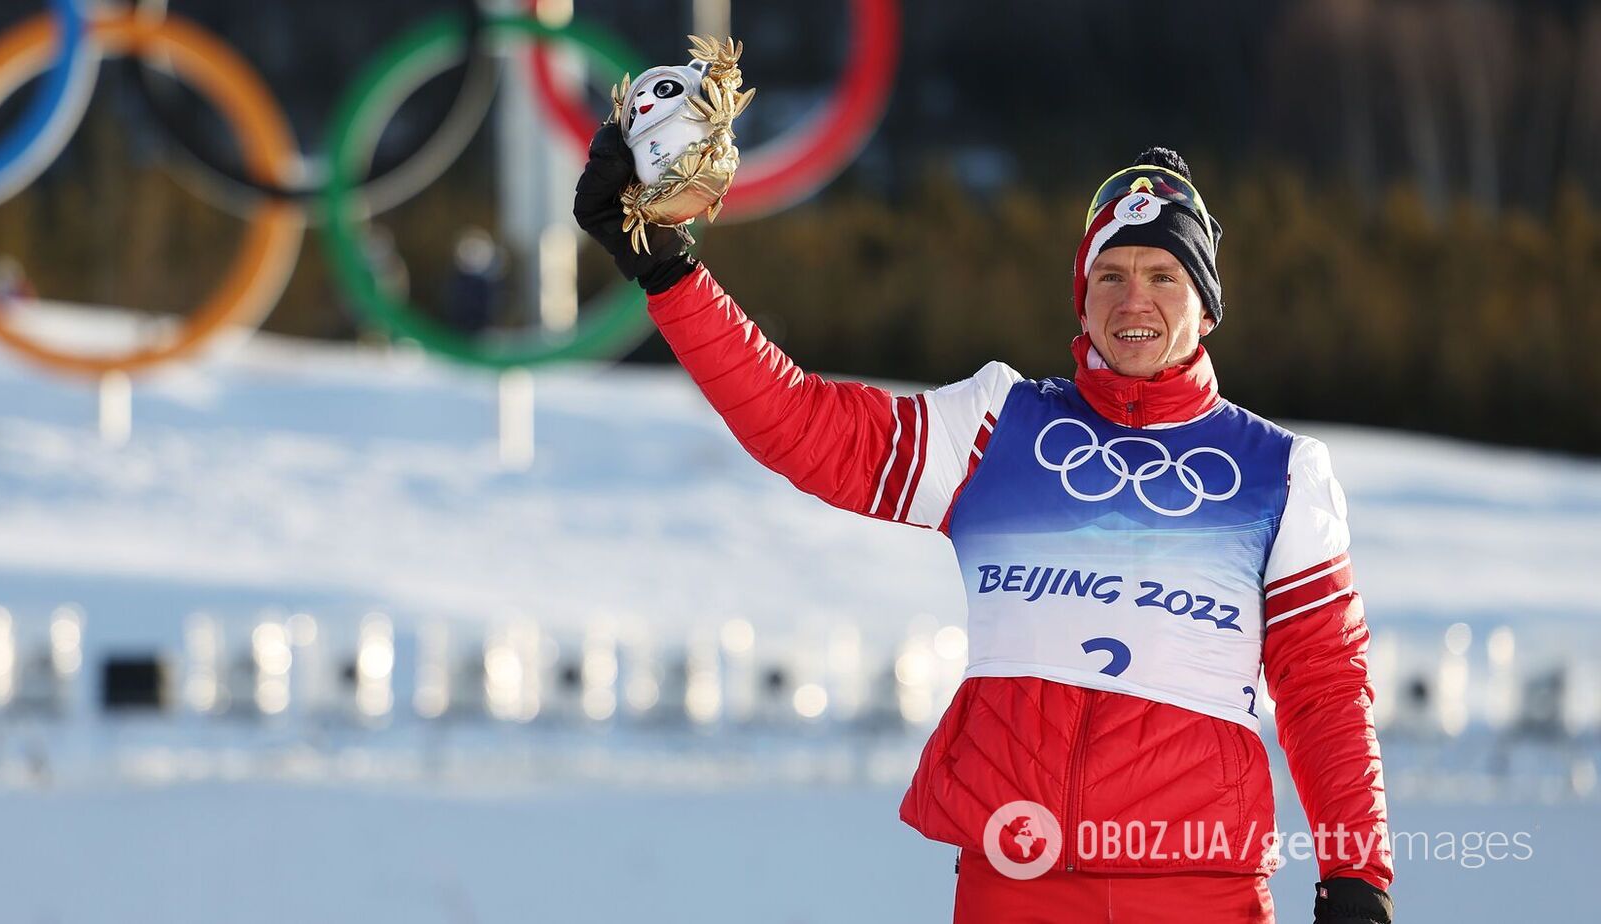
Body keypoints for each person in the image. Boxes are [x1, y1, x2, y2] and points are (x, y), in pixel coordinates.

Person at [574, 124, 1394, 924]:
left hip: (1196, 891)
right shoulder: (997, 425)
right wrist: (670, 273)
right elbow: (801, 423)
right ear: (1081, 299)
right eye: (1109, 275)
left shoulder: (1281, 472)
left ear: (1207, 306)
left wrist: (1356, 875)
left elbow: (1325, 689)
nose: (1133, 300)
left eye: (1163, 276)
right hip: (1017, 878)